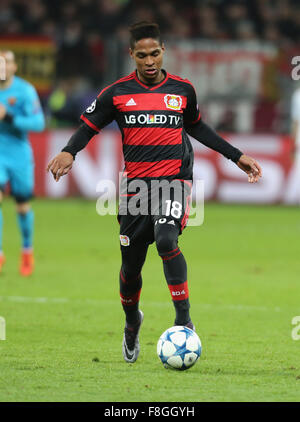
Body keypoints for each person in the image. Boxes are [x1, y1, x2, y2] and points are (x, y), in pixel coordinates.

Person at [47, 22, 262, 363]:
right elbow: (88, 126)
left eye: (156, 53)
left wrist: (236, 156)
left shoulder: (182, 90)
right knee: (131, 270)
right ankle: (132, 323)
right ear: (131, 54)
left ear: (164, 51)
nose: (150, 61)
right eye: (142, 55)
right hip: (135, 189)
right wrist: (69, 151)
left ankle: (183, 320)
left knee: (166, 239)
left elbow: (197, 126)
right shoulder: (115, 93)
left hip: (174, 180)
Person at [0, 50, 45, 276]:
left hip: (18, 154)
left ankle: (27, 249)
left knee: (22, 207)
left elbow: (38, 123)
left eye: (6, 62)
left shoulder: (25, 90)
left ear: (14, 67)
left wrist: (7, 117)